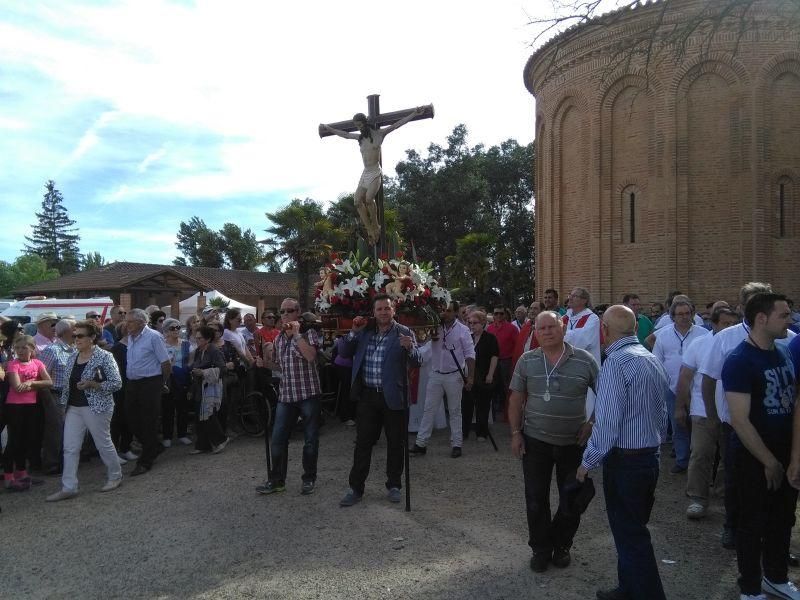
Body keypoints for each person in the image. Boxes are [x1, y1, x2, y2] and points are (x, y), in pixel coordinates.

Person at [576, 305, 669, 600]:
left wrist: (587, 461)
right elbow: (660, 411)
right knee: (632, 529)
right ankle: (627, 588)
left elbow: (607, 422)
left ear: (604, 329)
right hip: (649, 457)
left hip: (627, 461)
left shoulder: (616, 362)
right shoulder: (649, 358)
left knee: (631, 535)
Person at [697, 282, 796, 549]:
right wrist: (713, 417)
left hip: (778, 428)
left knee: (779, 489)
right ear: (746, 308)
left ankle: (775, 541)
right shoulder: (726, 339)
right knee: (735, 480)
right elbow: (708, 378)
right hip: (736, 425)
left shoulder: (785, 340)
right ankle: (733, 525)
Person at [722, 293, 799, 600]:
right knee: (752, 521)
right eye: (784, 315)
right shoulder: (740, 361)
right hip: (752, 457)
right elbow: (740, 421)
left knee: (783, 518)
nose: (790, 320)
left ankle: (776, 577)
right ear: (761, 319)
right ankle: (751, 587)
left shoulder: (782, 353)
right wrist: (769, 461)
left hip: (785, 453)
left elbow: (794, 404)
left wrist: (793, 458)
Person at [509, 311, 599, 572]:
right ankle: (540, 549)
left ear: (563, 327)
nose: (546, 332)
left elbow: (605, 394)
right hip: (535, 442)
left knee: (571, 498)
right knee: (535, 499)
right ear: (535, 332)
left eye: (552, 326)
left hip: (573, 443)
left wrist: (591, 422)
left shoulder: (585, 360)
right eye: (541, 328)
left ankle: (561, 546)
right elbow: (515, 399)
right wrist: (516, 433)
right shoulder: (527, 361)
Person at [338, 294, 421, 506]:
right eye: (379, 309)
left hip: (393, 396)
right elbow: (344, 352)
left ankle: (394, 485)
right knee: (363, 443)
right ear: (374, 312)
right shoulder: (364, 331)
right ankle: (355, 488)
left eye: (387, 308)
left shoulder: (404, 332)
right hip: (368, 396)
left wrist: (410, 347)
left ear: (393, 310)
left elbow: (418, 360)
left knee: (396, 443)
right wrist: (353, 331)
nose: (383, 312)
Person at [320, 107, 425, 245]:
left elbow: (397, 125)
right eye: (356, 126)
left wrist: (414, 114)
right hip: (366, 172)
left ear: (365, 122)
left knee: (369, 199)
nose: (358, 128)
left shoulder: (379, 134)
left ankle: (376, 226)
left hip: (375, 171)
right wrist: (328, 128)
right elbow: (344, 134)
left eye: (360, 125)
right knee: (357, 201)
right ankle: (370, 229)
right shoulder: (360, 138)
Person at [45, 319, 123, 501]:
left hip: (97, 407)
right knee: (70, 448)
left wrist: (93, 384)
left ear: (92, 337)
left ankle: (115, 476)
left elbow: (117, 383)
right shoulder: (73, 355)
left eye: (80, 336)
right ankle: (69, 486)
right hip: (74, 407)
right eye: (74, 336)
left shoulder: (105, 357)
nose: (76, 339)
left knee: (103, 443)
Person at [675, 306, 738, 519]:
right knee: (701, 453)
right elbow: (685, 377)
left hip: (732, 412)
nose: (729, 328)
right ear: (714, 324)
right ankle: (697, 498)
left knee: (729, 456)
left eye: (732, 324)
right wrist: (680, 407)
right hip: (702, 410)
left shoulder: (740, 344)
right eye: (725, 324)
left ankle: (723, 494)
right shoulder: (700, 344)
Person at [256, 298, 322, 496]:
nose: (284, 315)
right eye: (282, 312)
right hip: (287, 395)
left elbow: (311, 356)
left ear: (298, 312)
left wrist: (296, 335)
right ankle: (277, 480)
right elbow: (280, 366)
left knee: (310, 440)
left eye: (289, 311)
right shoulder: (278, 338)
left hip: (308, 393)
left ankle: (308, 479)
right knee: (278, 439)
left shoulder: (309, 333)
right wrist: (265, 364)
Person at [651, 297, 710, 474]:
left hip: (698, 389)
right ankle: (682, 460)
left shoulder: (703, 334)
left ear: (692, 314)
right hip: (672, 388)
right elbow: (657, 360)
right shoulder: (663, 334)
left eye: (687, 313)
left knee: (698, 425)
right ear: (673, 316)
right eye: (680, 314)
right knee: (678, 424)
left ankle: (698, 462)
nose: (684, 317)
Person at [411, 301, 475, 457]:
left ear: (455, 313)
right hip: (436, 374)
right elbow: (421, 340)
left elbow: (470, 355)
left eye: (448, 311)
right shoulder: (435, 327)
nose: (444, 314)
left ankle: (456, 444)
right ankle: (421, 443)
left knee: (455, 411)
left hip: (454, 375)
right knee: (429, 409)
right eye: (442, 311)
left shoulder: (463, 330)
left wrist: (471, 377)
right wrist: (429, 336)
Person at [124, 308, 171, 476]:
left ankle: (145, 461)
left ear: (141, 322)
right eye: (126, 321)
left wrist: (161, 383)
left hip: (150, 383)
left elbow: (166, 363)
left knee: (148, 421)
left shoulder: (154, 337)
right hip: (133, 383)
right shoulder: (130, 337)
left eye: (130, 321)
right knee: (131, 419)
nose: (126, 324)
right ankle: (154, 447)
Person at [4, 335, 53, 491]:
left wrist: (31, 382)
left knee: (26, 440)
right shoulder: (13, 365)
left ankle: (21, 473)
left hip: (31, 406)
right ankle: (8, 476)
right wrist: (36, 384)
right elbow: (17, 387)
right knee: (14, 441)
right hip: (15, 407)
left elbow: (49, 381)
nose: (20, 351)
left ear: (32, 349)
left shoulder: (37, 363)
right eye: (17, 348)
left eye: (24, 347)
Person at [38, 319, 77, 474]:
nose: (78, 331)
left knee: (69, 429)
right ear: (67, 331)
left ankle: (64, 461)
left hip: (71, 395)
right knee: (56, 429)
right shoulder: (52, 350)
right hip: (54, 394)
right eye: (75, 328)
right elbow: (41, 376)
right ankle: (51, 464)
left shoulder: (74, 349)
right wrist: (48, 398)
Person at [189, 325, 229, 455]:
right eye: (196, 338)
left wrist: (204, 372)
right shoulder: (198, 351)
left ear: (207, 339)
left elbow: (223, 369)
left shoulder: (214, 350)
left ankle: (220, 440)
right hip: (198, 387)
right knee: (199, 415)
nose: (197, 340)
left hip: (210, 388)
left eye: (200, 338)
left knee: (208, 415)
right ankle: (202, 445)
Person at [462, 310, 498, 442]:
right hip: (468, 375)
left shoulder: (490, 338)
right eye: (469, 323)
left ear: (483, 323)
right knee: (466, 404)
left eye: (475, 323)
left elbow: (494, 357)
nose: (472, 325)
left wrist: (490, 374)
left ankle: (481, 432)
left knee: (483, 405)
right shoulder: (467, 338)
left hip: (483, 375)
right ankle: (464, 431)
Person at [161, 318, 192, 447]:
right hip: (167, 379)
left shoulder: (185, 344)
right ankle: (167, 436)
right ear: (166, 330)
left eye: (178, 327)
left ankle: (182, 434)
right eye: (172, 328)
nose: (176, 330)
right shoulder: (162, 344)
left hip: (182, 378)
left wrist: (185, 368)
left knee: (182, 407)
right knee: (167, 408)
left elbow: (190, 360)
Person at [487, 305, 518, 420]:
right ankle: (493, 413)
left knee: (506, 386)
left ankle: (509, 413)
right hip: (493, 362)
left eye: (501, 313)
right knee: (493, 386)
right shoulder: (489, 328)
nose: (498, 316)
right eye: (496, 313)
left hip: (506, 361)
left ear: (505, 314)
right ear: (493, 315)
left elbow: (517, 345)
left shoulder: (512, 328)